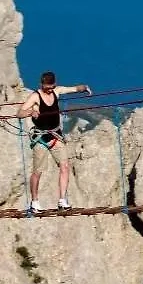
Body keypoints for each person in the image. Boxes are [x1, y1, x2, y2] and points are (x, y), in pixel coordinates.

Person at [16, 71, 92, 212]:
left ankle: (62, 201)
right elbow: (19, 113)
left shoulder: (57, 91)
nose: (49, 90)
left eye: (51, 87)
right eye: (47, 87)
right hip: (41, 138)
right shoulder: (35, 96)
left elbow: (73, 89)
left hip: (55, 136)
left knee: (65, 166)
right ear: (42, 84)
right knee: (38, 171)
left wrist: (85, 88)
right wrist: (30, 112)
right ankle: (34, 202)